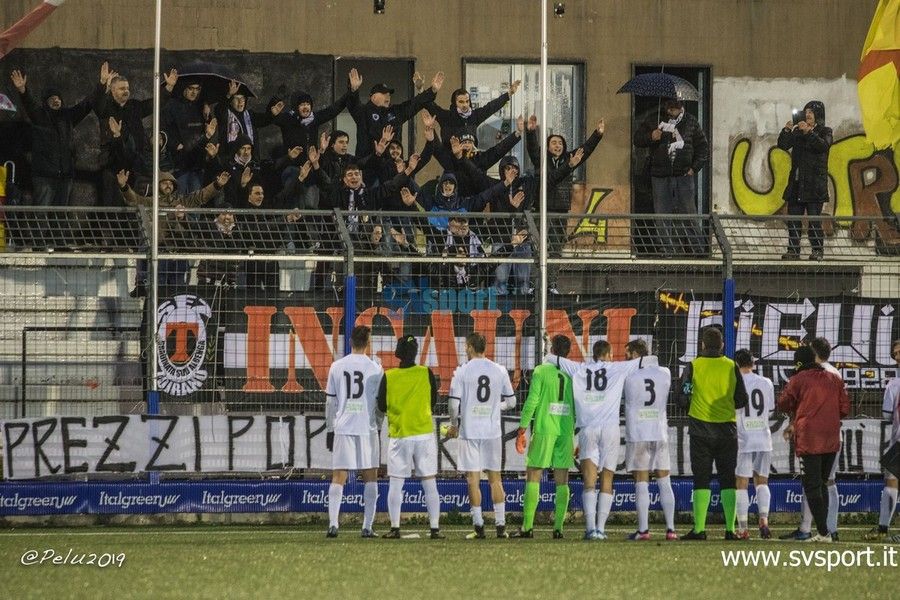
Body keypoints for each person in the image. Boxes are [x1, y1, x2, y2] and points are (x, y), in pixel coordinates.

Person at [547, 340, 641, 540]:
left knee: (589, 480)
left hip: (588, 429)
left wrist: (549, 351)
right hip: (610, 430)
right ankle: (601, 529)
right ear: (609, 354)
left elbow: (552, 359)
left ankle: (590, 529)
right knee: (607, 479)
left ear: (594, 354)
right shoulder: (618, 368)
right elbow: (647, 361)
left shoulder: (579, 369)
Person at [676, 326, 748, 540]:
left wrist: (692, 405)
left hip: (700, 431)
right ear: (722, 345)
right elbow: (741, 399)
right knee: (728, 479)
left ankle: (699, 529)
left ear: (702, 345)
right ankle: (730, 530)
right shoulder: (732, 366)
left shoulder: (693, 366)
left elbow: (683, 396)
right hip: (727, 431)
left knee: (701, 479)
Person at [446, 332, 517, 539]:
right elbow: (512, 402)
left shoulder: (462, 371)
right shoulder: (499, 370)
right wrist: (495, 407)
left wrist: (454, 425)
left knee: (473, 480)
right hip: (492, 432)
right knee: (495, 479)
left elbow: (453, 404)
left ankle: (479, 527)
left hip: (470, 432)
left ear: (469, 347)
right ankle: (501, 526)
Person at [524, 115, 606, 293]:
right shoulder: (541, 159)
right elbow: (532, 148)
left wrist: (597, 134)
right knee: (537, 248)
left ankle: (552, 284)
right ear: (547, 146)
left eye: (560, 143)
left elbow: (585, 150)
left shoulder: (569, 158)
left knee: (556, 249)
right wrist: (530, 132)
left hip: (560, 210)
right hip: (541, 209)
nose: (557, 145)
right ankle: (533, 285)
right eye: (553, 142)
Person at [777, 346, 849, 543]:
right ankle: (826, 531)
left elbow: (783, 403)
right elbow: (845, 408)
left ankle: (824, 532)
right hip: (832, 436)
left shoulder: (798, 379)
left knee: (812, 486)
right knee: (823, 483)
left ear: (799, 363)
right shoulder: (834, 377)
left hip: (809, 437)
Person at [376, 335, 444, 539]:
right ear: (415, 352)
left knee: (396, 484)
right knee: (429, 482)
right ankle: (435, 529)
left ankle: (395, 528)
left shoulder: (389, 376)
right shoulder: (426, 372)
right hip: (423, 433)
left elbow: (381, 406)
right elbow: (434, 401)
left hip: (400, 435)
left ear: (398, 353)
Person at [513, 334, 577, 539]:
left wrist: (522, 428)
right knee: (562, 480)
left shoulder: (541, 371)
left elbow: (532, 401)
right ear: (568, 352)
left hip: (544, 428)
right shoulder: (573, 374)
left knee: (533, 475)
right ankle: (558, 529)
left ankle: (527, 527)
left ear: (551, 349)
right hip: (565, 430)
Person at [324, 325, 384, 539]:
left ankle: (333, 524)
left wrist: (330, 428)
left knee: (338, 475)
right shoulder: (376, 368)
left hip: (344, 427)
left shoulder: (337, 366)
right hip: (367, 427)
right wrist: (378, 426)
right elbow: (380, 404)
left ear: (350, 342)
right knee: (370, 476)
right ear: (368, 343)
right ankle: (367, 527)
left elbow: (330, 402)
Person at [632, 97, 708, 256]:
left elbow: (703, 148)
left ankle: (699, 250)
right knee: (662, 215)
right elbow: (637, 139)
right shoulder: (655, 119)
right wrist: (651, 136)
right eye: (668, 107)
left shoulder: (691, 122)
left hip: (683, 175)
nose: (669, 110)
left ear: (681, 106)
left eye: (673, 107)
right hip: (660, 174)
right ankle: (667, 250)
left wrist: (693, 169)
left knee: (689, 213)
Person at [9, 69, 92, 206]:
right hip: (44, 177)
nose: (56, 100)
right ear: (46, 103)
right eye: (52, 99)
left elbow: (85, 105)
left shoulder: (68, 117)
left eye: (58, 98)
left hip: (65, 177)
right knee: (40, 214)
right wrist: (23, 90)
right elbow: (29, 104)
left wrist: (102, 85)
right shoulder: (40, 116)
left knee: (60, 215)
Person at [623, 339, 677, 541]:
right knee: (664, 480)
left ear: (636, 354)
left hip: (639, 433)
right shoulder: (665, 373)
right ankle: (671, 529)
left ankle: (643, 530)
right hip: (659, 432)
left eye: (628, 354)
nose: (626, 358)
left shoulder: (630, 376)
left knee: (641, 480)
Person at [777, 101, 833, 261]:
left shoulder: (825, 131)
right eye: (806, 111)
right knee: (793, 221)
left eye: (811, 112)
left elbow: (823, 146)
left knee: (814, 222)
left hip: (814, 186)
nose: (807, 114)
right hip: (796, 185)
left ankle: (817, 251)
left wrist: (809, 132)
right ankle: (793, 251)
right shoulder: (798, 132)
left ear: (818, 115)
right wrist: (786, 130)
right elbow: (783, 145)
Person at [348, 71, 444, 158]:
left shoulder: (395, 111)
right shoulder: (363, 111)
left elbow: (414, 104)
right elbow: (353, 104)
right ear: (373, 97)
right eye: (384, 93)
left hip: (392, 165)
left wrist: (432, 90)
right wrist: (353, 90)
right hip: (368, 165)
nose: (388, 96)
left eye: (389, 94)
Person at [733, 349, 776, 540]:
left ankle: (743, 528)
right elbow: (771, 409)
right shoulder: (766, 382)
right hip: (764, 437)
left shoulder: (735, 382)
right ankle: (764, 520)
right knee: (762, 481)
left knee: (741, 483)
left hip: (743, 438)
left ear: (736, 364)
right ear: (753, 363)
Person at [864, 339, 900, 541]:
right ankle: (883, 528)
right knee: (891, 481)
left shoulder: (894, 385)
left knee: (891, 481)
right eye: (895, 353)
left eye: (899, 352)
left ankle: (883, 528)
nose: (897, 357)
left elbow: (887, 414)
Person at [426, 79, 520, 150]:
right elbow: (430, 106)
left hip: (471, 160)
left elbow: (491, 107)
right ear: (454, 103)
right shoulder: (446, 117)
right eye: (461, 102)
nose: (465, 105)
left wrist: (509, 94)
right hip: (451, 162)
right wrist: (427, 90)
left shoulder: (474, 116)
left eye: (467, 101)